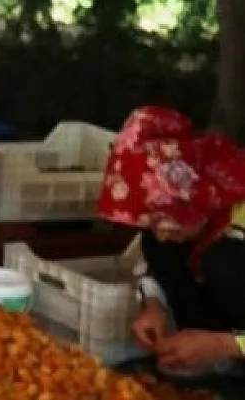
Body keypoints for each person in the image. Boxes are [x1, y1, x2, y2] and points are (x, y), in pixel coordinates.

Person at [98, 106, 245, 378]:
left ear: (192, 197)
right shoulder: (179, 227)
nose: (161, 232)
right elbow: (151, 260)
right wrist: (154, 303)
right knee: (161, 245)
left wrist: (224, 345)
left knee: (222, 261)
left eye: (166, 218)